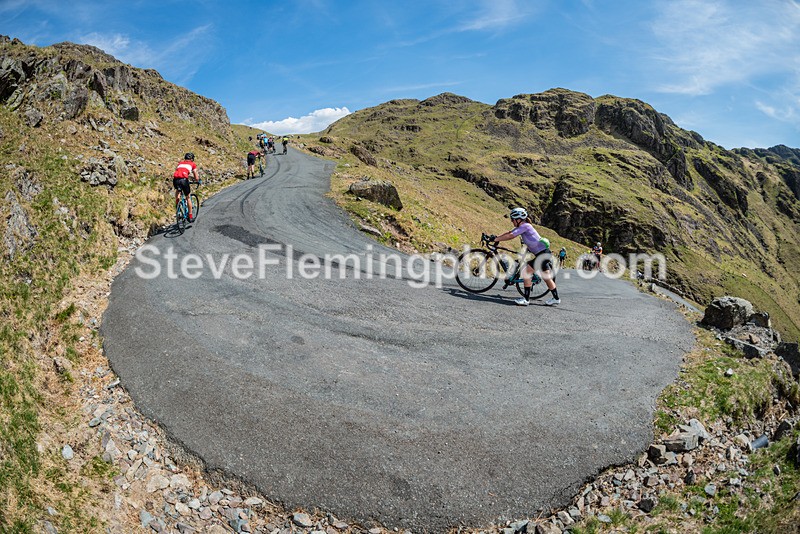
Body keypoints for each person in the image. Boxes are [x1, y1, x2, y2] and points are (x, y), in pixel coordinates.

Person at [490, 207, 561, 306]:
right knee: (547, 278)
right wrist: (496, 237)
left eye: (513, 219)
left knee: (526, 272)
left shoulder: (526, 226)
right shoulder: (523, 227)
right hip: (544, 254)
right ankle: (556, 299)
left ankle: (526, 299)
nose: (511, 221)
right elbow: (509, 233)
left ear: (518, 219)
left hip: (542, 255)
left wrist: (496, 239)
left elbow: (511, 236)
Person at [173, 152, 198, 222]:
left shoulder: (180, 163)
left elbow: (179, 171)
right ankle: (190, 216)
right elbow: (196, 175)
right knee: (188, 197)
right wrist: (197, 180)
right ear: (192, 159)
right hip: (184, 180)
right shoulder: (193, 164)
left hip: (175, 180)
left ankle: (178, 206)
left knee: (178, 192)